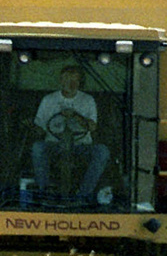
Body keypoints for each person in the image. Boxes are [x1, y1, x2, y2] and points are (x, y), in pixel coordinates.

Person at [30, 65, 110, 205]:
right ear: (61, 81)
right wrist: (30, 127)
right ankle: (45, 192)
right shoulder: (48, 100)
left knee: (102, 151)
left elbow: (93, 126)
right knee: (37, 148)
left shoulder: (87, 100)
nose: (71, 84)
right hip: (54, 145)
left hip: (81, 145)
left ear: (80, 83)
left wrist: (76, 117)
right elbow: (39, 126)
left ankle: (83, 194)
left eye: (75, 81)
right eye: (68, 80)